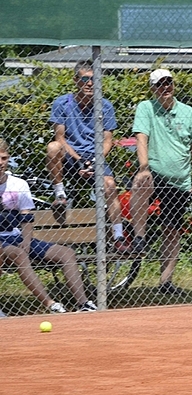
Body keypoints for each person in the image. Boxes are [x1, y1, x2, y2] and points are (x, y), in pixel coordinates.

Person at [129, 69, 192, 295]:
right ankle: (139, 237)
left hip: (181, 180)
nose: (165, 87)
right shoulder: (146, 108)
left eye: (168, 83)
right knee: (140, 184)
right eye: (160, 84)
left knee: (172, 230)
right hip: (155, 171)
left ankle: (165, 282)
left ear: (173, 85)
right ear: (153, 88)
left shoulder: (188, 112)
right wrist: (143, 168)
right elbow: (141, 137)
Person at [0, 138, 96, 313]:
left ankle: (83, 304)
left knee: (66, 253)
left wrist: (27, 241)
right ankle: (51, 304)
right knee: (19, 254)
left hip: (16, 236)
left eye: (4, 158)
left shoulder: (19, 184)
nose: (1, 163)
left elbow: (27, 218)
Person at [46, 60, 128, 252]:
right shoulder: (62, 103)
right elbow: (60, 138)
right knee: (53, 147)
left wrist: (94, 162)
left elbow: (108, 140)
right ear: (76, 81)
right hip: (70, 158)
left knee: (110, 185)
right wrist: (79, 160)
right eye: (85, 79)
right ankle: (60, 194)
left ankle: (119, 236)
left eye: (95, 79)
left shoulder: (105, 106)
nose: (90, 83)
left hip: (95, 158)